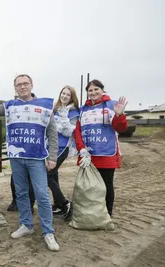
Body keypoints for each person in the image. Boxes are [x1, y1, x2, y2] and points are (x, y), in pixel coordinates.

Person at [0, 72, 60, 252]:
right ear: (15, 88)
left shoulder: (45, 105)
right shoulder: (10, 105)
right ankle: (26, 224)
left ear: (31, 85)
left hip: (37, 157)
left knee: (42, 194)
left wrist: (53, 157)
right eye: (18, 84)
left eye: (25, 83)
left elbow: (52, 134)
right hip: (17, 159)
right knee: (21, 193)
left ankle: (48, 231)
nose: (22, 86)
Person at [74, 79, 128, 216]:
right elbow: (77, 131)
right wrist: (81, 149)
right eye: (90, 90)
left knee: (106, 184)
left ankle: (107, 213)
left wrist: (119, 115)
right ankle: (91, 211)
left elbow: (120, 128)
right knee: (89, 185)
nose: (93, 92)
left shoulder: (111, 105)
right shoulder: (82, 109)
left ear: (102, 90)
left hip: (106, 153)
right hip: (88, 155)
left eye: (96, 89)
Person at [48, 85, 80, 220]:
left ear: (72, 97)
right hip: (50, 146)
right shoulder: (54, 109)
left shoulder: (73, 113)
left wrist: (63, 116)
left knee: (46, 175)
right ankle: (58, 205)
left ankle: (65, 203)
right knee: (53, 176)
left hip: (62, 147)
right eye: (63, 93)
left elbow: (68, 132)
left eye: (68, 94)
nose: (65, 96)